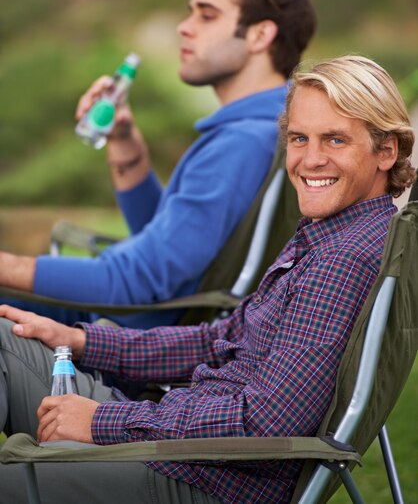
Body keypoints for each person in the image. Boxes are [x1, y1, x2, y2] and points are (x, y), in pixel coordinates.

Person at [0, 55, 415, 504]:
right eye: (299, 138)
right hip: (178, 445)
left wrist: (101, 421)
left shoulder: (342, 260)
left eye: (335, 139)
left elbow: (266, 423)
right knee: (8, 339)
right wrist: (81, 342)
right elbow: (218, 338)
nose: (311, 160)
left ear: (386, 150)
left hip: (199, 477)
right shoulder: (331, 234)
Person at [0, 0, 317, 329]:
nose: (185, 27)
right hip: (138, 323)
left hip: (125, 347)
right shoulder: (269, 126)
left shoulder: (242, 143)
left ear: (259, 35)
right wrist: (125, 144)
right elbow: (170, 248)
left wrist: (10, 265)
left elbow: (139, 280)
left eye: (206, 15)